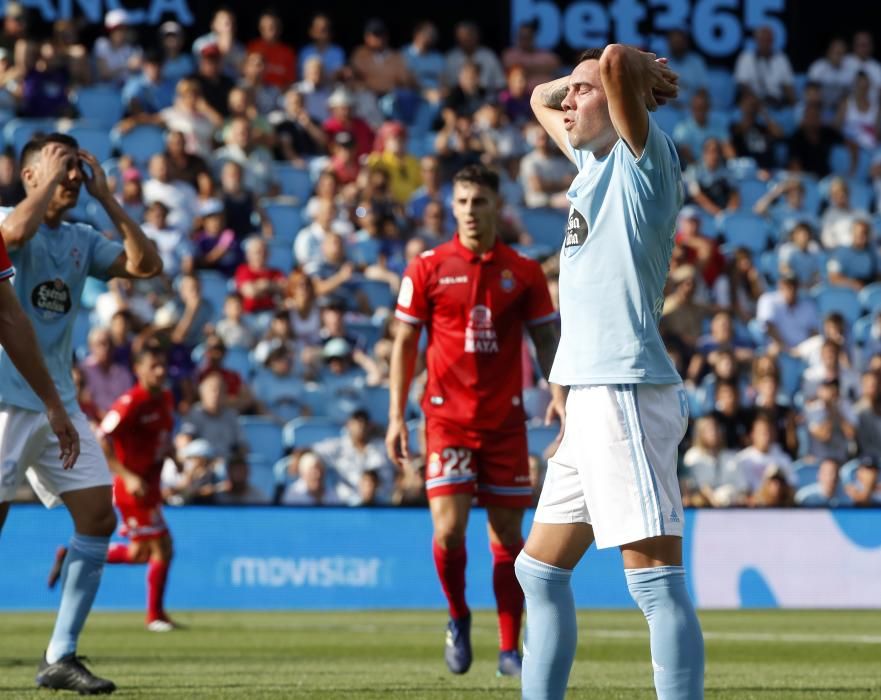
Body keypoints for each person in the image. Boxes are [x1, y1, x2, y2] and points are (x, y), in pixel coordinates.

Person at [524, 46, 704, 699]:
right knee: (538, 573)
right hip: (587, 400)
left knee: (653, 585)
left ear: (617, 98)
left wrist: (623, 72)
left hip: (624, 390)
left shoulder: (642, 162)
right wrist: (579, 83)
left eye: (582, 92)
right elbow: (537, 99)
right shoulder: (590, 163)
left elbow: (615, 58)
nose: (565, 101)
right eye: (570, 92)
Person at [0, 133, 162, 693]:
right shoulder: (5, 219)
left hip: (56, 403)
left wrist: (111, 202)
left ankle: (60, 655)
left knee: (97, 517)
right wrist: (47, 183)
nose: (72, 178)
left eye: (77, 169)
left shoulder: (80, 238)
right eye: (61, 167)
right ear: (29, 177)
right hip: (3, 400)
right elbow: (16, 233)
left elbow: (147, 265)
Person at [386, 164, 560, 677]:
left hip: (505, 422)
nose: (468, 211)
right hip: (446, 421)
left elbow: (546, 340)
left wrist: (560, 393)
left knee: (509, 536)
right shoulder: (427, 267)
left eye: (478, 202)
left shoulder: (524, 271)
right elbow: (404, 343)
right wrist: (397, 415)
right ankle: (458, 615)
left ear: (496, 207)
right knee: (448, 530)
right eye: (461, 202)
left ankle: (509, 646)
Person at [49, 344, 177, 632]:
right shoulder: (130, 402)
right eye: (153, 366)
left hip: (151, 483)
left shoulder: (165, 398)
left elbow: (160, 434)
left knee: (138, 553)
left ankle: (71, 554)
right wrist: (126, 475)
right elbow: (102, 438)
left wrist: (170, 454)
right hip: (132, 487)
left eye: (162, 365)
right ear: (138, 370)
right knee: (162, 547)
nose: (160, 371)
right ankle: (154, 616)